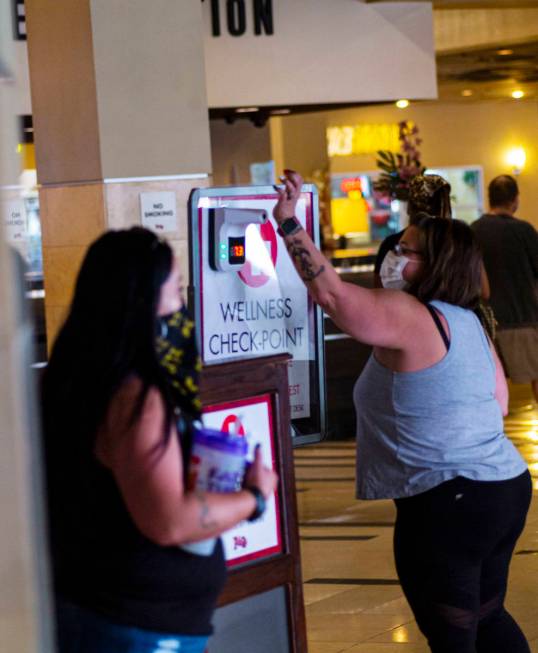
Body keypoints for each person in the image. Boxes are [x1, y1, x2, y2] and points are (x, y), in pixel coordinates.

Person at [273, 170, 531, 653]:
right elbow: (497, 406)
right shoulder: (466, 319)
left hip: (448, 499)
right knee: (488, 617)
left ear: (434, 265)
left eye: (408, 251)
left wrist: (289, 225)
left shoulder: (410, 315)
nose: (395, 255)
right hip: (501, 489)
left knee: (454, 637)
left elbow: (332, 295)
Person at [41, 227, 278, 653]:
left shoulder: (80, 377)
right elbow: (168, 520)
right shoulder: (136, 397)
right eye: (174, 292)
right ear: (142, 303)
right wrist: (255, 497)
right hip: (138, 630)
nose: (182, 308)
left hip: (107, 616)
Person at [472, 175, 538, 404]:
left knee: (491, 388)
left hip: (486, 324)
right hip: (524, 319)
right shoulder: (524, 231)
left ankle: (494, 434)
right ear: (515, 200)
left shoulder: (474, 231)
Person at [374, 173, 452, 288]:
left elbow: (378, 292)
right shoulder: (458, 243)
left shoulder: (391, 243)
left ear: (410, 208)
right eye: (403, 251)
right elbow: (482, 290)